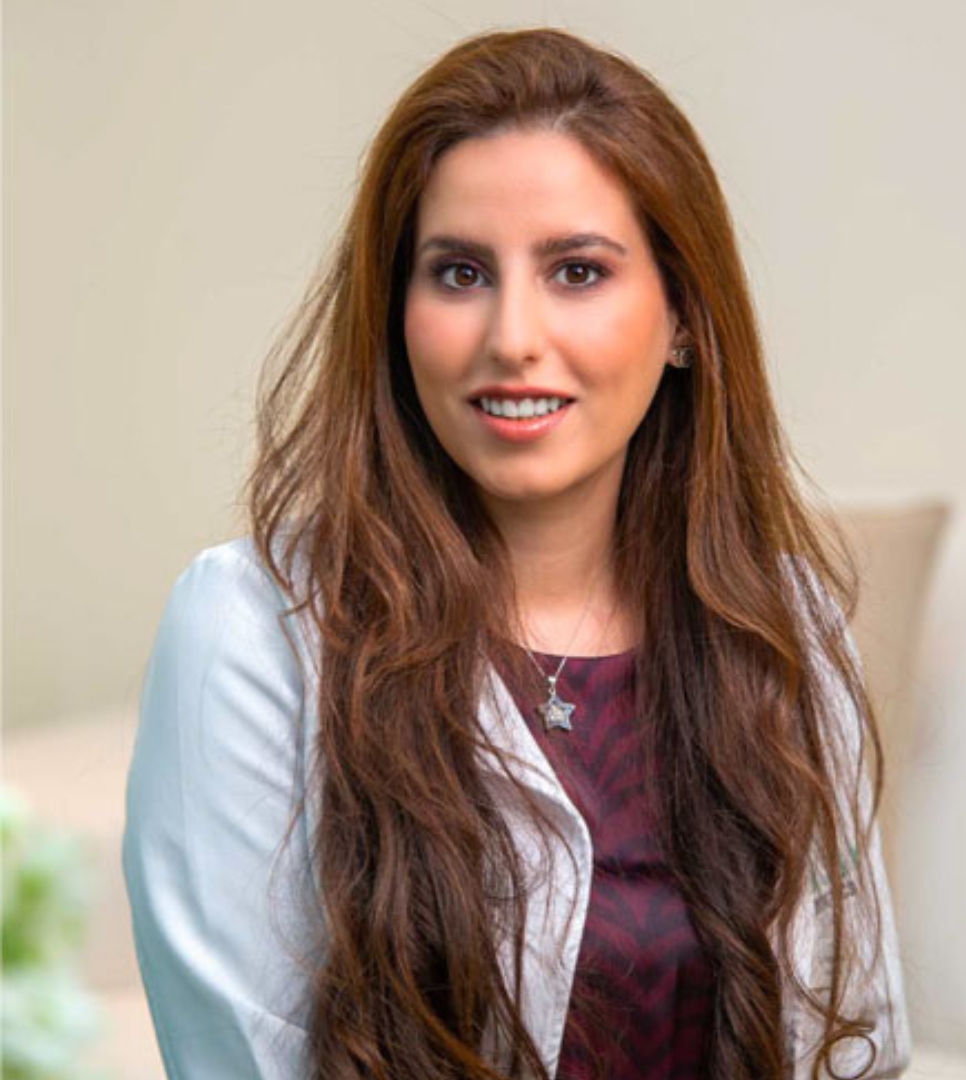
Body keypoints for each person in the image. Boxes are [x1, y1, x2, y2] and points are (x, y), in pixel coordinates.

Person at [122, 26, 911, 1080]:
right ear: (397, 317)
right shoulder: (252, 635)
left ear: (681, 316)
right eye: (458, 274)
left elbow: (855, 1037)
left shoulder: (785, 627)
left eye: (578, 271)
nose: (513, 336)